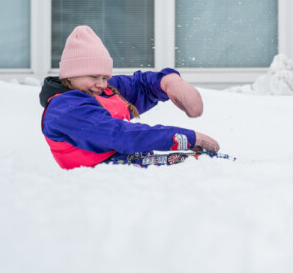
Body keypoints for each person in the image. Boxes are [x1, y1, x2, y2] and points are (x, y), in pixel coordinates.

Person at [39, 25, 220, 169]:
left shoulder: (102, 90)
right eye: (94, 77)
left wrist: (168, 82)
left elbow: (140, 85)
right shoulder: (65, 109)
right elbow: (120, 135)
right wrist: (182, 138)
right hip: (97, 183)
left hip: (127, 164)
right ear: (70, 75)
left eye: (105, 77)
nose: (101, 84)